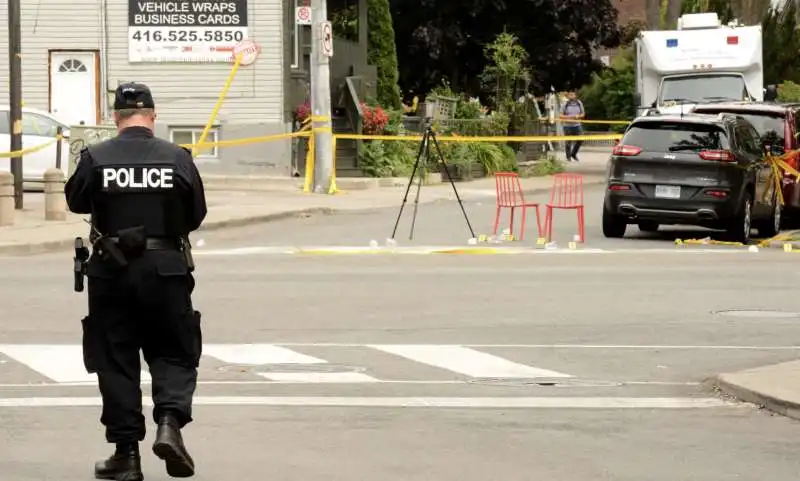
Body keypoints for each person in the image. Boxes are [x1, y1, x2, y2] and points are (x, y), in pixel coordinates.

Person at [65, 82, 208, 480]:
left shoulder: (95, 156)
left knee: (115, 359)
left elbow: (75, 201)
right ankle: (169, 423)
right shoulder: (176, 157)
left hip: (111, 269)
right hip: (166, 267)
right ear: (153, 115)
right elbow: (195, 213)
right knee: (174, 351)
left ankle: (126, 455)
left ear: (115, 117)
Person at [560, 91, 585, 161]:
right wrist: (569, 117)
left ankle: (573, 154)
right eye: (570, 95)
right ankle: (568, 157)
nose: (571, 96)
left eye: (573, 94)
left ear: (575, 96)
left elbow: (583, 114)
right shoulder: (565, 104)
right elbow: (560, 116)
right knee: (568, 142)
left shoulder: (579, 103)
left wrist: (578, 116)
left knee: (581, 139)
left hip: (577, 125)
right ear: (568, 96)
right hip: (567, 126)